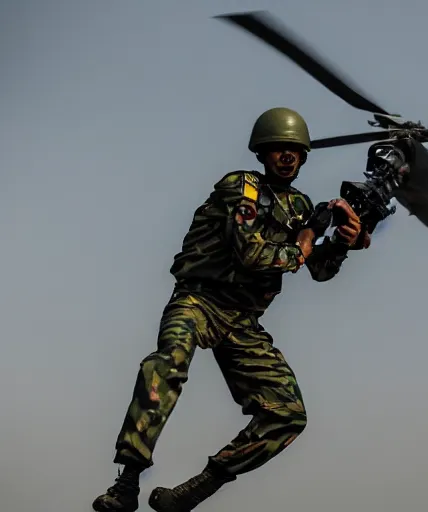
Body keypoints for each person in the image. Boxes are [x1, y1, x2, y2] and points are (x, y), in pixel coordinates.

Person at [92, 107, 371, 512]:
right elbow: (252, 253)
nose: (287, 156)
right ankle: (127, 483)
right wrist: (305, 242)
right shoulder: (241, 188)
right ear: (262, 152)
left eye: (294, 150)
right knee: (165, 365)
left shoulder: (299, 206)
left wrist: (347, 241)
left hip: (242, 319)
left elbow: (320, 270)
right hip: (199, 300)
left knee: (288, 414)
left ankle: (198, 489)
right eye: (278, 149)